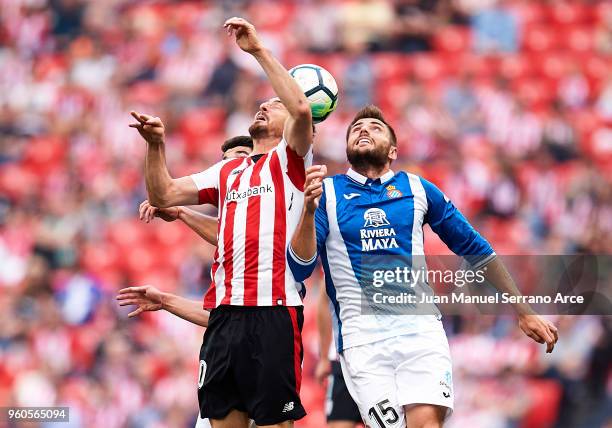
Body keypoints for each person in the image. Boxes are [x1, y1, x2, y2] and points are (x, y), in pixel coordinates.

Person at [287, 105, 558, 428]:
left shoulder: (417, 189)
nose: (363, 130)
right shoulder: (326, 194)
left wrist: (522, 308)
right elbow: (300, 267)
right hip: (362, 342)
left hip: (419, 332)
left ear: (393, 150)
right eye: (356, 129)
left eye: (375, 127)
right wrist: (306, 211)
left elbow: (474, 247)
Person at [127, 17, 313, 428]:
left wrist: (257, 51)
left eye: (274, 105)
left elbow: (300, 107)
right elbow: (164, 195)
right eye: (263, 103)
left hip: (273, 311)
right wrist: (156, 146)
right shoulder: (228, 172)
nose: (264, 105)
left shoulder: (291, 161)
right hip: (225, 316)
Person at [118, 135, 255, 428]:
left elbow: (237, 233)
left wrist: (180, 211)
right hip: (228, 349)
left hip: (269, 345)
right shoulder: (227, 261)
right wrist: (165, 300)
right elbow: (220, 318)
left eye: (244, 154)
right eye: (228, 159)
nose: (235, 163)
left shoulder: (275, 211)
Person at [314, 284, 362, 428]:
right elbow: (324, 297)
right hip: (344, 357)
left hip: (381, 354)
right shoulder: (339, 262)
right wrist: (323, 358)